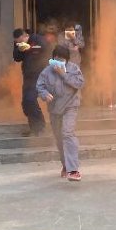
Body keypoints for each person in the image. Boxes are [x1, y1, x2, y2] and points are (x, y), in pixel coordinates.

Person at [36, 44, 85, 181]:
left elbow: (80, 84)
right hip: (54, 108)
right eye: (57, 59)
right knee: (59, 138)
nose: (59, 62)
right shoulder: (46, 72)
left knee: (67, 133)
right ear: (53, 58)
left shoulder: (73, 69)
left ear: (67, 60)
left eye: (62, 59)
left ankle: (73, 170)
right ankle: (66, 165)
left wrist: (63, 75)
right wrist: (44, 94)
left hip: (70, 106)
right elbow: (39, 86)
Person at [13, 28, 49, 136]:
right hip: (28, 76)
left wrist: (30, 47)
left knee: (30, 99)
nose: (19, 43)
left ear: (25, 36)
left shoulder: (37, 39)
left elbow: (46, 49)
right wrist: (19, 50)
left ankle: (40, 127)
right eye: (17, 42)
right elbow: (16, 58)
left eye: (20, 40)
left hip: (39, 75)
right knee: (26, 103)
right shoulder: (18, 44)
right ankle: (34, 128)